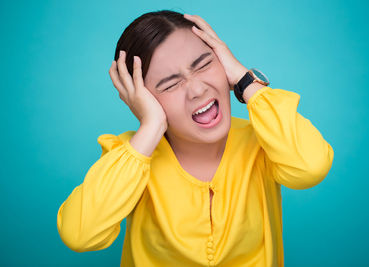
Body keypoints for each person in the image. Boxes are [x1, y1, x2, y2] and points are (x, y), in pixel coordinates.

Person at [57, 10, 334, 267]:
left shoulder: (264, 140)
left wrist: (244, 80)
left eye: (204, 65)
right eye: (170, 84)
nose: (197, 89)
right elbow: (80, 234)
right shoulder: (130, 156)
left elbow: (311, 167)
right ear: (142, 99)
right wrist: (151, 125)